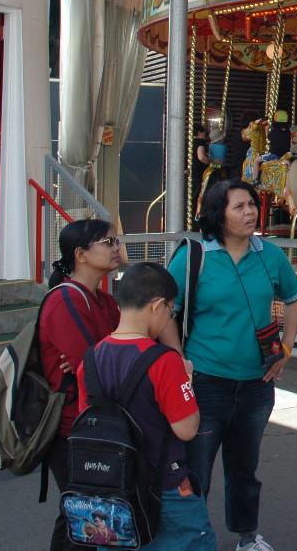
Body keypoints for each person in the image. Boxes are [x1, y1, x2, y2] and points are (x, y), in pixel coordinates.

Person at [168, 179, 297, 551]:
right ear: (218, 213)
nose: (249, 212)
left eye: (251, 205)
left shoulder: (270, 254)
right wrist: (177, 358)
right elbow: (166, 311)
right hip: (207, 382)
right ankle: (190, 538)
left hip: (258, 383)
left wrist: (287, 348)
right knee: (196, 469)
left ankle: (247, 536)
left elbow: (294, 298)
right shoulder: (194, 256)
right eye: (238, 207)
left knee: (244, 469)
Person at [77, 262, 213, 550]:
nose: (168, 319)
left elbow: (86, 419)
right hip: (164, 483)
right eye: (170, 311)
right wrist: (187, 382)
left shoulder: (89, 360)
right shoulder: (165, 361)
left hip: (111, 486)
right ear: (157, 305)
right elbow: (187, 429)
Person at [41, 219, 124, 551]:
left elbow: (122, 348)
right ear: (81, 255)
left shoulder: (103, 300)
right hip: (74, 428)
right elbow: (93, 365)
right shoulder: (66, 300)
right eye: (108, 242)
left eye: (116, 241)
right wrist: (107, 353)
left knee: (79, 512)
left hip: (92, 422)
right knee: (87, 514)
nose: (116, 247)